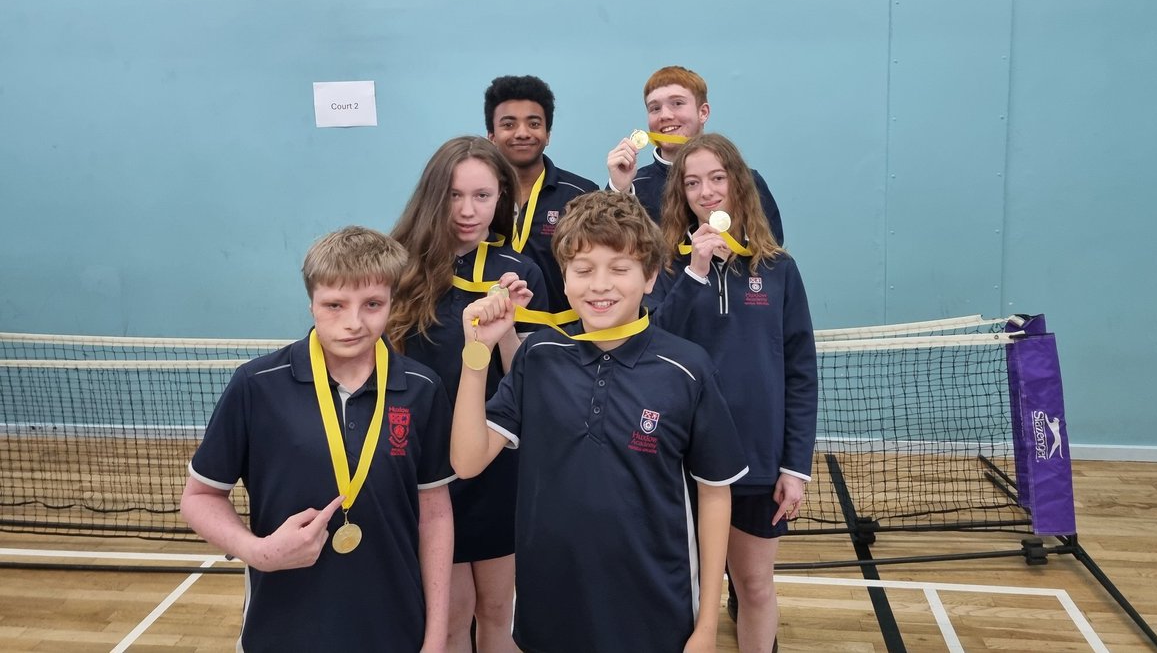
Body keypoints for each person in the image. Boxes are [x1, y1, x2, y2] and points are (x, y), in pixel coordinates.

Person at [452, 190, 748, 653]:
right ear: (565, 279)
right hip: (549, 607)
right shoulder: (539, 356)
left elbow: (714, 496)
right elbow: (467, 462)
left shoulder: (687, 368)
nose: (600, 285)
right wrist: (478, 353)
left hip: (656, 609)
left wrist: (707, 625)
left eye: (620, 269)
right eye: (584, 270)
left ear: (650, 277)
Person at [180, 226, 455, 652]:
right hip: (284, 628)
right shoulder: (256, 385)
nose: (353, 323)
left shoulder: (422, 387)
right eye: (334, 305)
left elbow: (435, 515)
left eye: (372, 305)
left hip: (393, 627)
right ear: (311, 302)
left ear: (391, 303)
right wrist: (258, 551)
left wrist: (436, 637)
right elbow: (199, 497)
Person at [650, 134, 818, 653]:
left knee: (754, 585)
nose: (706, 191)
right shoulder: (667, 269)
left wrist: (795, 466)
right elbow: (655, 343)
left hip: (757, 461)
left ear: (739, 186)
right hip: (682, 461)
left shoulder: (779, 269)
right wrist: (696, 272)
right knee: (688, 592)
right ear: (681, 195)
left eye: (717, 178)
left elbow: (800, 371)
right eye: (693, 182)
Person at [388, 137, 548, 653]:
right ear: (434, 195)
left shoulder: (518, 271)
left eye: (482, 196)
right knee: (450, 616)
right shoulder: (400, 269)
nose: (467, 210)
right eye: (455, 196)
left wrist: (507, 330)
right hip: (428, 466)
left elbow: (528, 380)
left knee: (499, 611)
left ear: (501, 194)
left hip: (497, 460)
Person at [604, 65, 785, 242]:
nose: (665, 115)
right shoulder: (633, 185)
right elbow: (607, 249)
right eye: (655, 108)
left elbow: (770, 256)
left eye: (677, 103)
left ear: (703, 112)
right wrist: (617, 191)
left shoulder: (746, 180)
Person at [484, 74, 598, 313]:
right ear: (491, 136)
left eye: (534, 124)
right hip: (488, 329)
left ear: (548, 134)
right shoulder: (476, 196)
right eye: (508, 124)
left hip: (562, 336)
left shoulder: (582, 196)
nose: (523, 133)